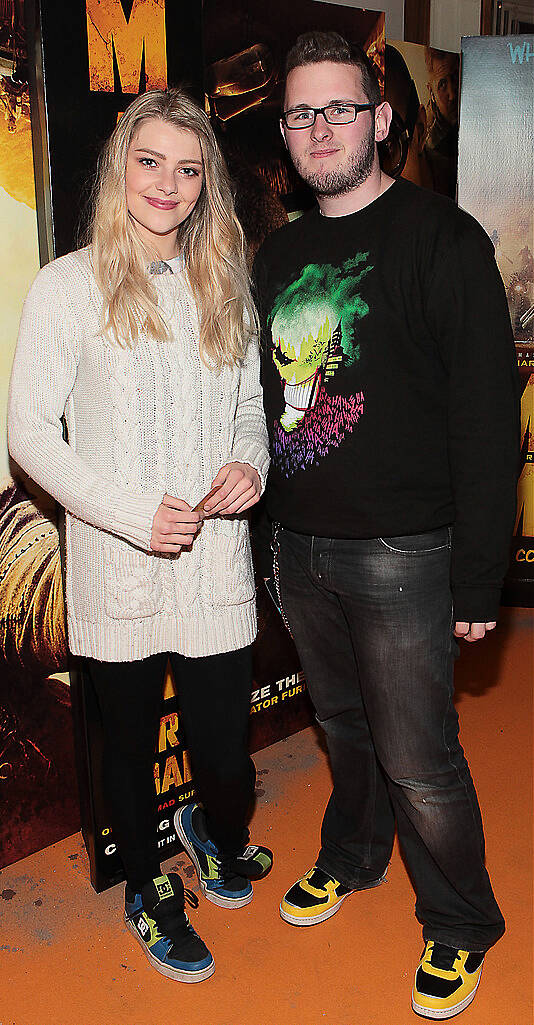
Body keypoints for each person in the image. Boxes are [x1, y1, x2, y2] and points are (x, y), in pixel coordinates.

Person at [253, 31, 519, 1020]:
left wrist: (478, 579)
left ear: (381, 118)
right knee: (344, 728)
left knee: (420, 755)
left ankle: (459, 921)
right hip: (300, 547)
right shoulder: (277, 251)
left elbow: (490, 420)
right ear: (285, 133)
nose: (320, 128)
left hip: (407, 555)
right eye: (301, 113)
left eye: (339, 108)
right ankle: (353, 854)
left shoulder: (443, 242)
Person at [8, 88, 272, 984]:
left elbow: (248, 412)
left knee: (223, 751)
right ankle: (146, 891)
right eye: (150, 162)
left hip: (214, 572)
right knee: (124, 750)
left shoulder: (225, 280)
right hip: (117, 570)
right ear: (119, 168)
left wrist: (251, 466)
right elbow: (30, 433)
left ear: (208, 186)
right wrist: (127, 511)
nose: (168, 183)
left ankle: (213, 829)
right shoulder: (67, 286)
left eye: (188, 168)